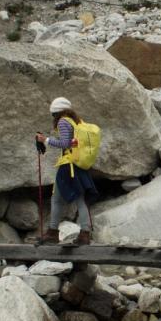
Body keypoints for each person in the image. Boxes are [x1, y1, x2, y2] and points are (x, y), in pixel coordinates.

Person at [34, 97, 97, 246]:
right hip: (78, 165)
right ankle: (84, 234)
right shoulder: (75, 121)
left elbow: (65, 143)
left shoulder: (63, 121)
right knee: (80, 199)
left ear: (56, 112)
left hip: (68, 166)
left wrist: (45, 140)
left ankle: (53, 233)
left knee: (57, 199)